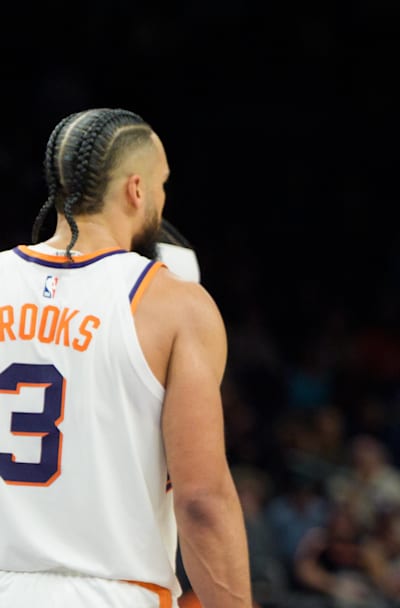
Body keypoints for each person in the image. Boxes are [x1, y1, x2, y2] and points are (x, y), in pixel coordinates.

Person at [0, 108, 252, 607]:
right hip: (111, 593)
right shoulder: (174, 304)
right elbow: (201, 500)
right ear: (137, 190)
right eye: (162, 185)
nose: (162, 198)